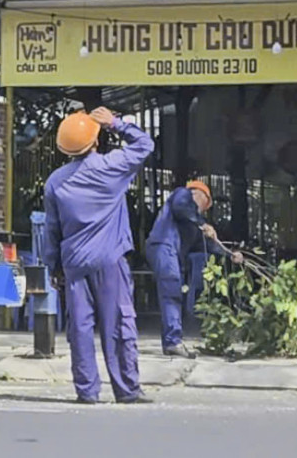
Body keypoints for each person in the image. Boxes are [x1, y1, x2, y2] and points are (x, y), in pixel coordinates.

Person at [41, 106, 154, 405]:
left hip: (74, 264)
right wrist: (116, 124)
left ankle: (87, 390)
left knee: (80, 328)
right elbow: (145, 145)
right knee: (117, 324)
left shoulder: (55, 182)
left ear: (65, 149)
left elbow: (51, 229)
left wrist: (53, 266)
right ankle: (127, 389)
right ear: (95, 141)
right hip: (110, 260)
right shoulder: (111, 167)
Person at [145, 179, 241, 358]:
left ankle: (172, 340)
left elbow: (208, 245)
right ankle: (172, 341)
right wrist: (202, 223)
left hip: (173, 253)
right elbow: (181, 207)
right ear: (200, 195)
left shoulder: (194, 225)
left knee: (174, 292)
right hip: (164, 246)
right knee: (171, 290)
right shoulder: (182, 193)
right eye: (206, 204)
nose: (205, 209)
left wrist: (230, 255)